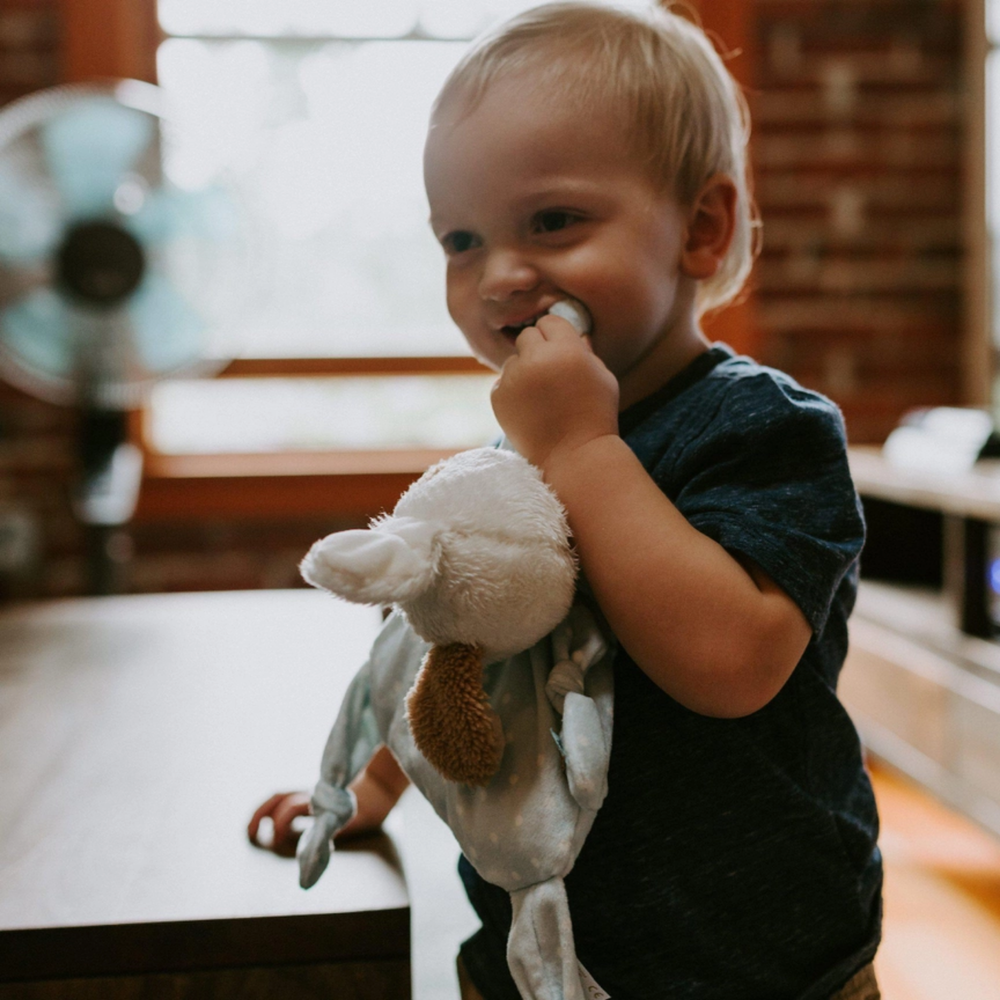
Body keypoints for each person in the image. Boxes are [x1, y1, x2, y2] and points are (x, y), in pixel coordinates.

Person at [249, 3, 883, 998]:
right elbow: (460, 649)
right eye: (460, 239)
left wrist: (582, 449)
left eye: (553, 220)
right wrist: (372, 785)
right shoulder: (520, 454)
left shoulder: (763, 429)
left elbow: (729, 662)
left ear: (701, 228)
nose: (499, 274)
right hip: (540, 955)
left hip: (763, 955)